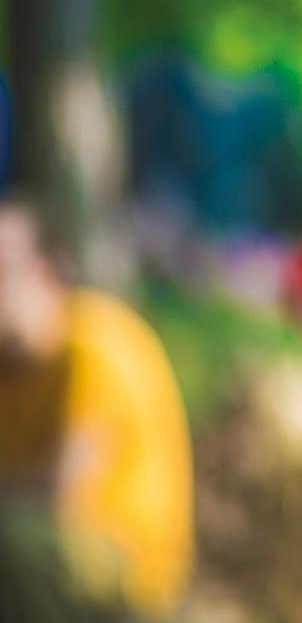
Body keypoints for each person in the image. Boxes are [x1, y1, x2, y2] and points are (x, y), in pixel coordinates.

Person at [0, 204, 194, 620]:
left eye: (4, 271)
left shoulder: (92, 343)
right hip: (54, 555)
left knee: (9, 536)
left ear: (47, 273)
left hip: (128, 571)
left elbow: (60, 493)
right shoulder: (11, 366)